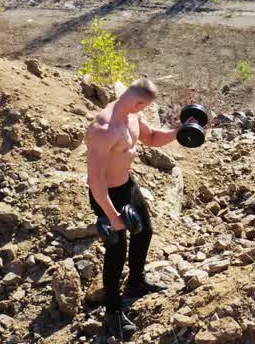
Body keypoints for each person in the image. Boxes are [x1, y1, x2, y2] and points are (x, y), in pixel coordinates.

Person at [86, 77, 182, 336]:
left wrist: (179, 133)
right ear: (137, 100)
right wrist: (112, 217)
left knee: (145, 232)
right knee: (117, 250)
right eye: (144, 107)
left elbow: (151, 137)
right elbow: (95, 180)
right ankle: (113, 312)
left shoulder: (131, 116)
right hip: (107, 193)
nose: (143, 112)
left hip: (128, 186)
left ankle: (136, 283)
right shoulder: (103, 129)